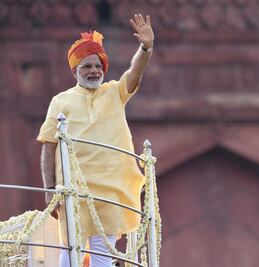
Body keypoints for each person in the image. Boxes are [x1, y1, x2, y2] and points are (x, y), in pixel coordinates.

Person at [37, 14, 154, 267]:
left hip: (110, 190)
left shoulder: (115, 92)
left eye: (98, 66)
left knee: (102, 255)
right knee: (70, 251)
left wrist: (145, 48)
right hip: (73, 191)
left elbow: (136, 71)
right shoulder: (61, 101)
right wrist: (50, 191)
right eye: (87, 66)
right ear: (74, 70)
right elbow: (48, 147)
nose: (94, 71)